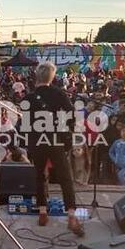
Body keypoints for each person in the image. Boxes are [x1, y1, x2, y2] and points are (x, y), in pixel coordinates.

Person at [23, 62, 82, 236]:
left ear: (36, 77)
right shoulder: (58, 93)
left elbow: (24, 125)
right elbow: (71, 115)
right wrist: (66, 131)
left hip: (37, 142)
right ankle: (71, 215)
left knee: (40, 176)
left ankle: (42, 212)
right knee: (65, 178)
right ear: (52, 77)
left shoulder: (29, 98)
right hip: (56, 140)